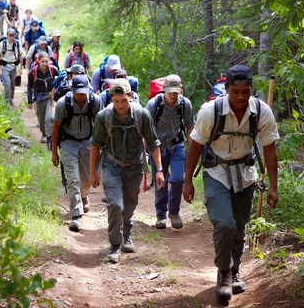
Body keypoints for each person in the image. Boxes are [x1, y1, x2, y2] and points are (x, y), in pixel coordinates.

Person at [183, 64, 279, 302]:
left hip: (245, 174)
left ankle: (235, 270)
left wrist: (274, 186)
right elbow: (195, 146)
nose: (240, 97)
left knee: (239, 227)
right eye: (235, 92)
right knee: (224, 223)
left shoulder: (261, 112)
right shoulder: (210, 111)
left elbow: (269, 149)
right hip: (216, 172)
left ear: (250, 90)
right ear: (227, 90)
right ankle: (224, 273)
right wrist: (187, 182)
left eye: (245, 92)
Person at [89, 78, 163, 264]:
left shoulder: (142, 115)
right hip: (112, 165)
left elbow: (153, 144)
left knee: (129, 206)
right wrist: (92, 172)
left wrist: (159, 170)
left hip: (135, 167)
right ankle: (114, 245)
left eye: (124, 100)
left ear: (130, 96)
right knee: (115, 204)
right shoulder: (103, 117)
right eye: (116, 101)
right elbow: (96, 145)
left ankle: (127, 235)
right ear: (111, 99)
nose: (120, 105)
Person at [52, 75, 103, 232]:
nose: (81, 96)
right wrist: (54, 152)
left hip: (88, 143)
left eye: (83, 92)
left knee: (87, 177)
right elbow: (55, 129)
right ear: (72, 90)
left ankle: (83, 196)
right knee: (72, 179)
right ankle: (76, 215)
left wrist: (100, 148)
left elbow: (101, 126)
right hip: (68, 143)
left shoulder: (95, 101)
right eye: (78, 93)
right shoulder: (63, 104)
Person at [146, 75, 195, 229]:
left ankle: (174, 212)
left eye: (176, 91)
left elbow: (190, 126)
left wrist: (191, 150)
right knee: (161, 181)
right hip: (157, 148)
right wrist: (144, 151)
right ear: (164, 90)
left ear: (181, 90)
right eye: (170, 92)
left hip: (177, 145)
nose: (173, 95)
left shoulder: (185, 104)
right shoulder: (153, 104)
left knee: (178, 179)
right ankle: (161, 215)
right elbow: (145, 130)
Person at [27, 51, 59, 143]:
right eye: (43, 61)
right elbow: (29, 87)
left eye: (46, 61)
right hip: (38, 98)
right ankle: (44, 134)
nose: (45, 64)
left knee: (49, 118)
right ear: (38, 61)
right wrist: (30, 101)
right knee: (41, 121)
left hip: (50, 97)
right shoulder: (33, 72)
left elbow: (60, 82)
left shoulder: (53, 70)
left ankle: (50, 139)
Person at [0, 28, 24, 106]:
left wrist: (21, 68)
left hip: (14, 66)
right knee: (7, 83)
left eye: (13, 35)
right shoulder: (2, 44)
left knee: (12, 85)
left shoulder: (17, 44)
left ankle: (11, 98)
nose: (12, 37)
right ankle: (7, 101)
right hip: (5, 67)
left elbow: (20, 56)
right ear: (7, 36)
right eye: (10, 35)